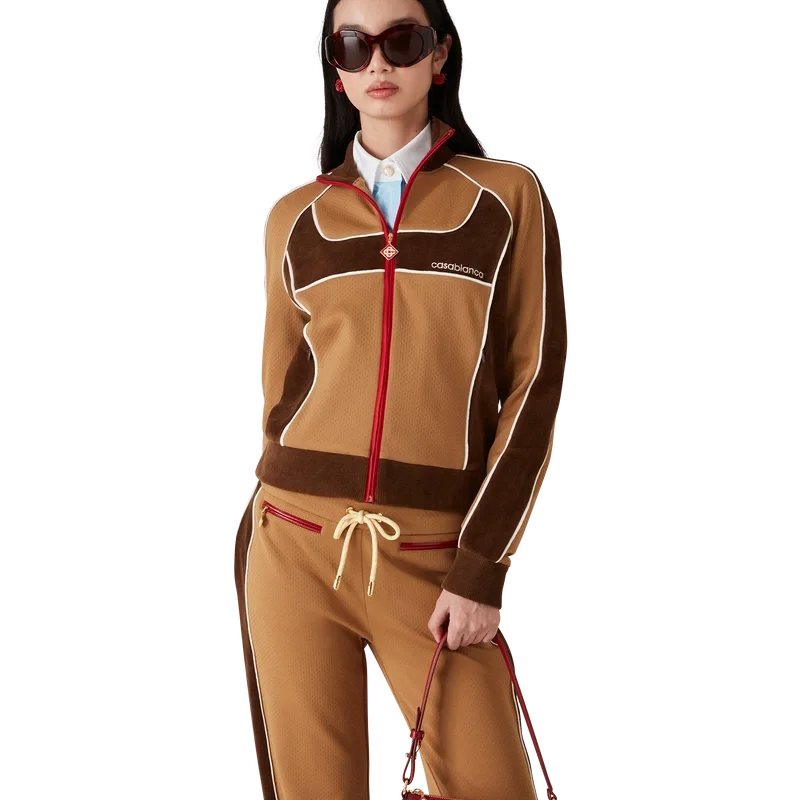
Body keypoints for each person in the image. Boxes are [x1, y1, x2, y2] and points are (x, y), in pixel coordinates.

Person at [234, 0, 568, 797]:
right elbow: (279, 394)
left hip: (432, 554)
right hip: (293, 543)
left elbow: (535, 386)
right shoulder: (296, 217)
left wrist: (481, 567)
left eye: (402, 41)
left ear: (439, 57)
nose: (378, 61)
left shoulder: (505, 196)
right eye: (354, 46)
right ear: (336, 70)